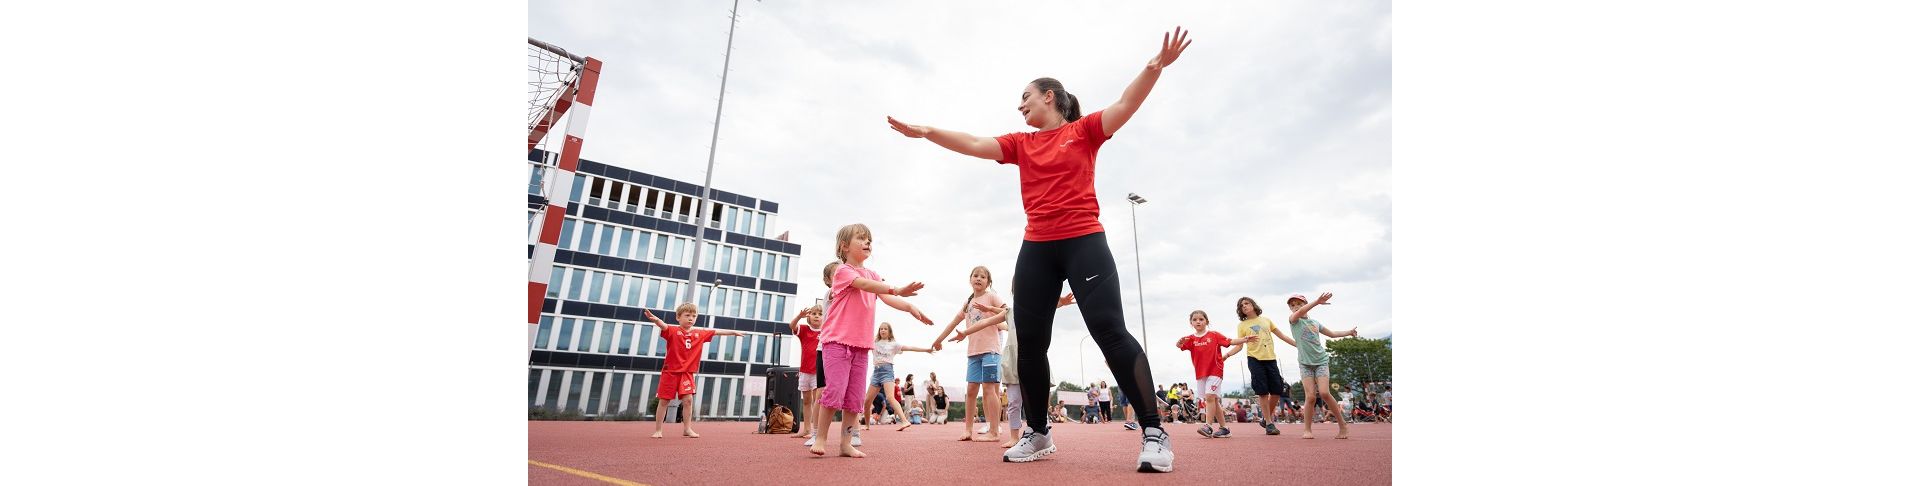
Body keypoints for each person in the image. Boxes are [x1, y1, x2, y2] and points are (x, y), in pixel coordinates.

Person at [888, 27, 1194, 472]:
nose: (1020, 105)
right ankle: (1037, 433)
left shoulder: (1085, 131)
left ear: (1050, 96)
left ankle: (1153, 430)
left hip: (1084, 240)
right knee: (1029, 343)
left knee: (1109, 330)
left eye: (1026, 96)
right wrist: (929, 131)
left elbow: (1127, 104)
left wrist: (1153, 67)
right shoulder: (1020, 143)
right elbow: (974, 144)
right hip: (1037, 247)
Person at [809, 224, 934, 458]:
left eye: (869, 240)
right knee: (834, 391)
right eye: (861, 239)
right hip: (836, 342)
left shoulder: (873, 275)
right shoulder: (843, 272)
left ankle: (846, 443)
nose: (867, 243)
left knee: (855, 397)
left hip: (861, 346)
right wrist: (897, 289)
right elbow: (866, 286)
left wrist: (910, 307)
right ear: (844, 246)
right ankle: (821, 437)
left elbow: (884, 295)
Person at [953, 293, 1077, 447]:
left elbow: (1048, 306)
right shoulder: (1009, 313)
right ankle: (1014, 437)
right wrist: (965, 332)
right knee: (1013, 402)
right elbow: (985, 322)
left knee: (1037, 399)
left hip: (1033, 358)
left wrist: (1060, 303)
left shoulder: (1036, 309)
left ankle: (1040, 432)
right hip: (1013, 362)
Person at [644, 304, 751, 439]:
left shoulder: (699, 333)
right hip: (670, 372)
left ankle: (687, 428)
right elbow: (664, 325)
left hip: (687, 373)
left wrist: (734, 332)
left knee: (688, 400)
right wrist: (656, 320)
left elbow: (716, 332)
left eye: (694, 316)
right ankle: (658, 430)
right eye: (687, 315)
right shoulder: (672, 331)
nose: (691, 319)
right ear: (678, 317)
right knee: (664, 401)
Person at [930, 266, 1010, 442]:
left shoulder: (992, 297)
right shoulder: (967, 303)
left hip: (991, 350)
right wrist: (939, 340)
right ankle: (968, 430)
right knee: (971, 390)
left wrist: (989, 307)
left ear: (988, 282)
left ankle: (995, 431)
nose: (979, 279)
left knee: (989, 388)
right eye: (976, 276)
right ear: (970, 279)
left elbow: (1007, 312)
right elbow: (953, 322)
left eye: (983, 276)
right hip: (973, 352)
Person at [1281, 292, 1358, 440]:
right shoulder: (1293, 320)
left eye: (1299, 304)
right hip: (1305, 364)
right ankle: (1307, 430)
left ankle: (1343, 425)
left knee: (1324, 393)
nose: (1295, 307)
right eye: (1292, 305)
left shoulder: (1315, 323)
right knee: (1310, 397)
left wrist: (1348, 332)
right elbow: (1301, 313)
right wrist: (1317, 302)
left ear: (1305, 304)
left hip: (1321, 361)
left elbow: (1332, 334)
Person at [1233, 297, 1297, 436]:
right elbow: (1239, 345)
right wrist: (1226, 355)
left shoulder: (1266, 320)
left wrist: (1299, 345)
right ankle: (1269, 423)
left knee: (1277, 390)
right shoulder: (1242, 325)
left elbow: (1282, 336)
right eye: (1241, 305)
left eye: (1247, 303)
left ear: (1253, 305)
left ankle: (1265, 417)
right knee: (1262, 391)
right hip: (1254, 359)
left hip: (1271, 358)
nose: (1244, 306)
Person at [866, 322, 935, 432]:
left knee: (890, 397)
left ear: (889, 332)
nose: (882, 330)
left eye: (885, 329)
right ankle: (867, 425)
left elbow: (910, 347)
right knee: (867, 400)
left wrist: (926, 350)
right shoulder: (874, 342)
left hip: (887, 371)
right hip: (876, 372)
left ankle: (904, 420)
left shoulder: (894, 344)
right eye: (881, 329)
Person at [787, 305, 825, 440]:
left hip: (818, 372)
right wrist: (799, 316)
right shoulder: (804, 329)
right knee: (807, 401)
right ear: (808, 317)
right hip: (804, 371)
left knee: (817, 400)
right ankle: (806, 429)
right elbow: (791, 325)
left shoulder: (826, 331)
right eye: (814, 313)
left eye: (820, 314)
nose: (816, 316)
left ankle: (816, 430)